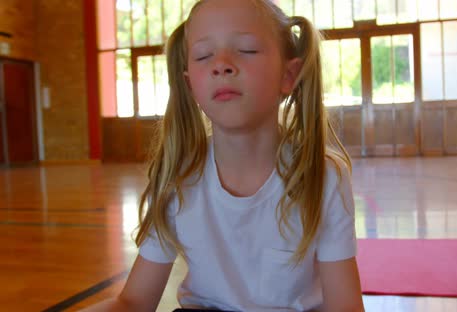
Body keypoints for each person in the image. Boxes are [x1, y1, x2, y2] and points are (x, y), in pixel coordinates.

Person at [83, 0, 364, 311]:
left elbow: (345, 306)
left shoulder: (323, 176)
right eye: (204, 56)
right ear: (190, 85)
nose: (221, 64)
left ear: (289, 74)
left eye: (246, 50)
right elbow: (132, 302)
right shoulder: (178, 177)